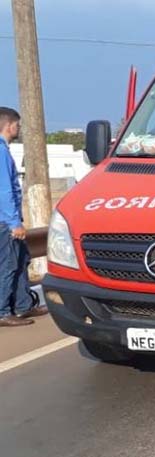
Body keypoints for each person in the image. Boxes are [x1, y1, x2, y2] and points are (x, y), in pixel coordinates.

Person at [0, 106, 48, 327]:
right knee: (8, 265)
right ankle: (3, 311)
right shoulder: (0, 152)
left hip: (8, 219)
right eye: (17, 125)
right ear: (9, 125)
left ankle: (22, 305)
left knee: (21, 261)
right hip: (5, 221)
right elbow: (4, 191)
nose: (19, 128)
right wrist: (13, 223)